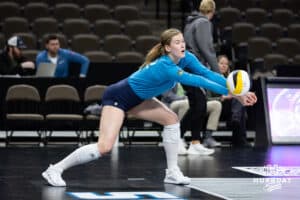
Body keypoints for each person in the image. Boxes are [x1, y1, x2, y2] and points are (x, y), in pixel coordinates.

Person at [42, 28, 257, 187]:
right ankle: (55, 169)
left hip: (140, 98)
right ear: (166, 48)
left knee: (172, 119)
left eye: (183, 41)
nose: (182, 45)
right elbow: (200, 82)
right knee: (104, 147)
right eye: (177, 42)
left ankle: (172, 172)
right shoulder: (166, 66)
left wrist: (237, 91)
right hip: (119, 96)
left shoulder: (186, 57)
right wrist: (237, 94)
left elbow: (208, 74)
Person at [181, 0, 220, 153]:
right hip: (193, 67)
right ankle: (180, 138)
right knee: (200, 105)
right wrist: (216, 72)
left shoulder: (190, 22)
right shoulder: (204, 23)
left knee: (197, 105)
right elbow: (207, 49)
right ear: (213, 11)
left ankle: (194, 142)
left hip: (187, 66)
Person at [162, 84, 222, 155]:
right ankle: (178, 138)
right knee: (193, 104)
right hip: (173, 102)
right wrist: (184, 97)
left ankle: (197, 142)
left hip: (193, 84)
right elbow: (167, 95)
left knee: (203, 105)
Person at [217, 55, 252, 148]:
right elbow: (207, 97)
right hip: (218, 105)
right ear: (216, 64)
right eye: (221, 63)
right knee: (239, 102)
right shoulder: (211, 77)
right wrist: (222, 97)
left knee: (240, 98)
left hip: (230, 106)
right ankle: (240, 138)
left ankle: (235, 121)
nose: (224, 66)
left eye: (226, 64)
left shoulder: (230, 79)